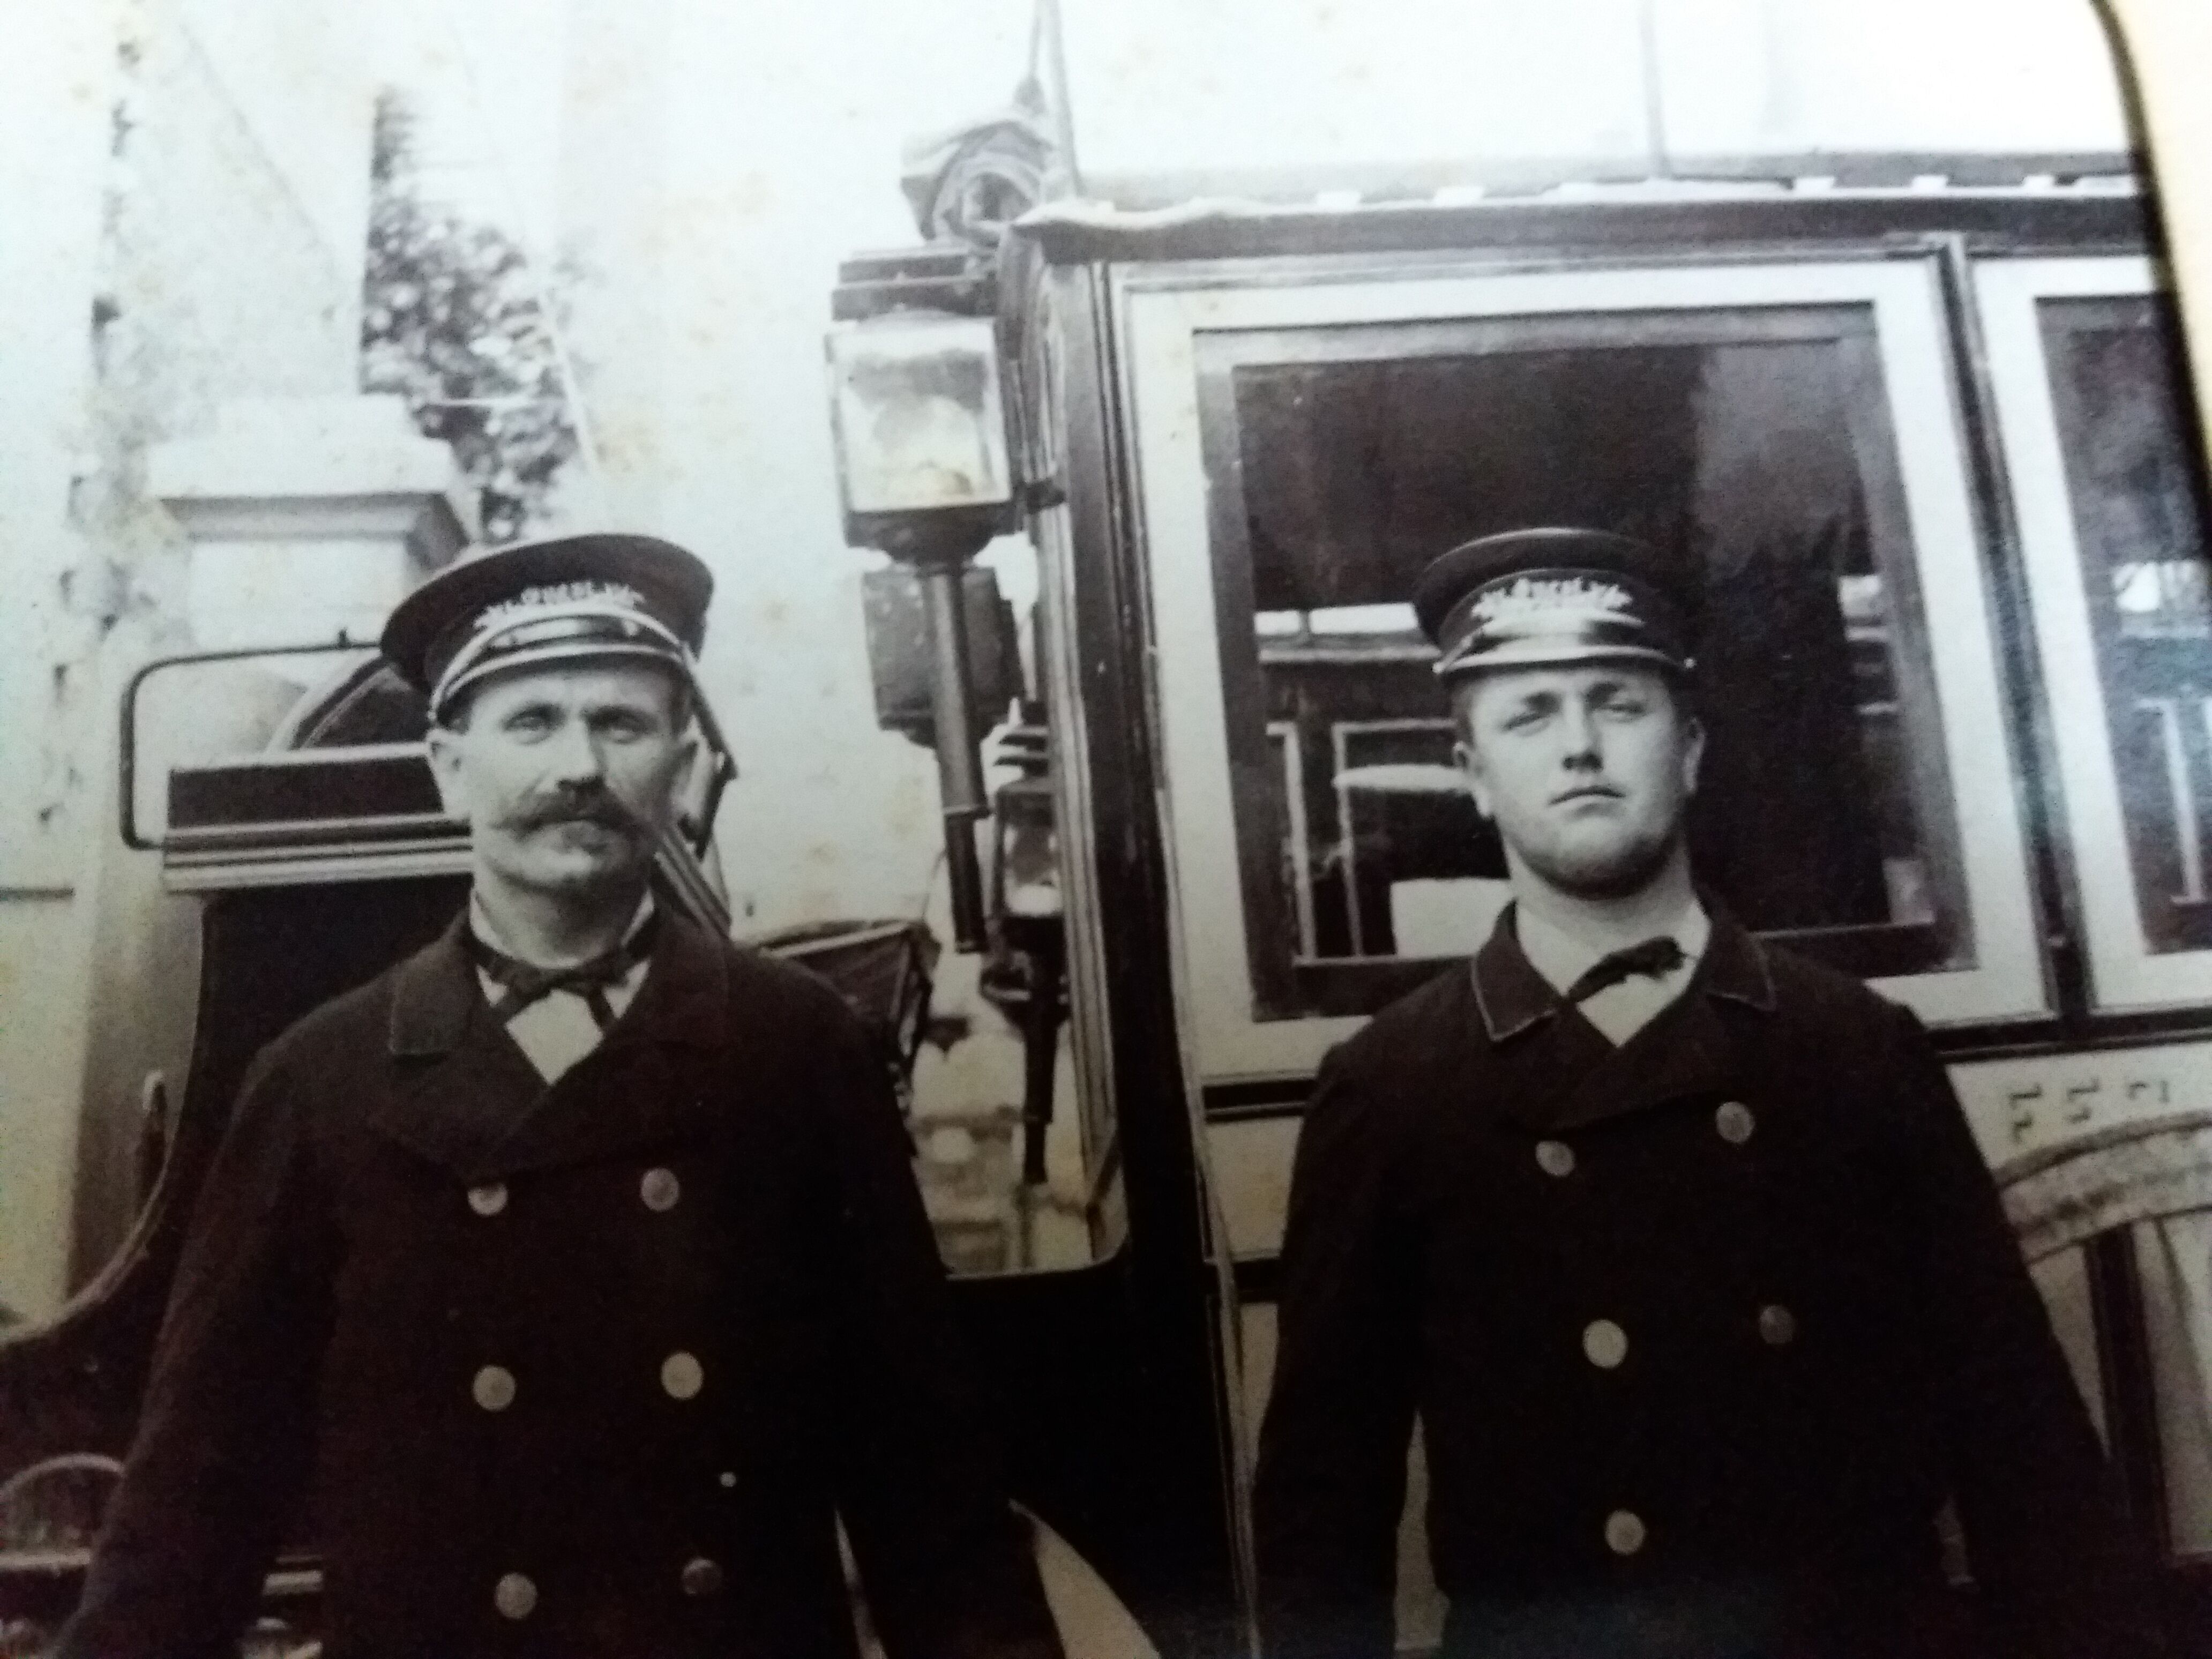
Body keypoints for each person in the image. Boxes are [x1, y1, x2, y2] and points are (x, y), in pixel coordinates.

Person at [58, 534, 1063, 1659]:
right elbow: (197, 1495)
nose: (577, 766)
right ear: (450, 765)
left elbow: (922, 1474)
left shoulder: (795, 1047)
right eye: (530, 723)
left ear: (679, 764)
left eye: (619, 723)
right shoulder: (320, 1080)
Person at [1251, 527, 2162, 1659]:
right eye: (1529, 714)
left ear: (1689, 751)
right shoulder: (1391, 1090)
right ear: (1476, 777)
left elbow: (2022, 1443)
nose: (1579, 745)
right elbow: (1322, 1515)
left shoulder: (1857, 1049)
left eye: (1618, 704)